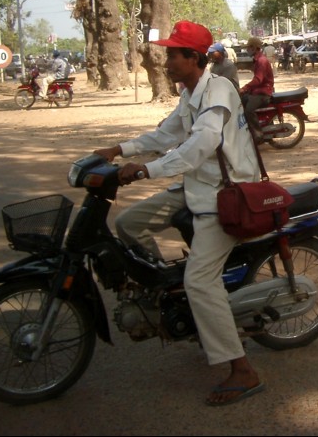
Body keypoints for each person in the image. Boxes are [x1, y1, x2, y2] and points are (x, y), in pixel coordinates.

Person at [92, 20, 264, 406]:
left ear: (194, 58)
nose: (166, 59)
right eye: (167, 52)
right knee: (128, 223)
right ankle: (170, 296)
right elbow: (166, 134)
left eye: (173, 54)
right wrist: (119, 149)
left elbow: (201, 145)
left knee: (200, 281)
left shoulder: (217, 90)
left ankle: (243, 370)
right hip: (196, 189)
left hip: (227, 195)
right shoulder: (189, 93)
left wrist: (147, 169)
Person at [239, 36, 274, 142]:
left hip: (263, 93)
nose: (247, 50)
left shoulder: (261, 61)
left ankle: (257, 133)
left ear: (254, 48)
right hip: (257, 91)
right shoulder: (257, 60)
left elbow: (258, 80)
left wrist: (244, 88)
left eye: (248, 47)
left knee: (249, 110)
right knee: (242, 101)